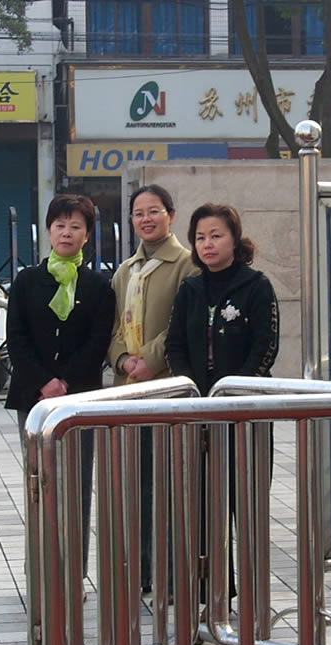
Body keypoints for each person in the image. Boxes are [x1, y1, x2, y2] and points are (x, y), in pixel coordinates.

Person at [166, 203, 279, 600]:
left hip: (245, 412)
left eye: (216, 235)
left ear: (234, 238)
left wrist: (233, 390)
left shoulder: (256, 286)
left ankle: (254, 595)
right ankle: (212, 592)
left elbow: (266, 347)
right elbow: (175, 345)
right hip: (200, 411)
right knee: (203, 504)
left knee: (245, 502)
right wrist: (192, 390)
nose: (207, 244)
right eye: (200, 238)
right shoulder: (190, 289)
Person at [6, 194, 115, 577]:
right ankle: (39, 569)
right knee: (39, 482)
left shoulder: (99, 286)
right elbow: (16, 338)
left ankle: (74, 571)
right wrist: (44, 381)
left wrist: (65, 381)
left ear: (87, 234)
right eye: (60, 225)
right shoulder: (26, 281)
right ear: (48, 231)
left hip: (79, 398)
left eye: (75, 226)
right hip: (33, 399)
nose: (66, 233)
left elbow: (98, 343)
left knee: (77, 484)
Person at [108, 184, 200, 593]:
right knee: (136, 483)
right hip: (127, 390)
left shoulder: (187, 265)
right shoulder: (125, 271)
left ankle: (171, 571)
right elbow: (113, 328)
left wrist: (148, 359)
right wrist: (123, 360)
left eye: (154, 211)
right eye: (138, 213)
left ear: (171, 215)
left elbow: (181, 324)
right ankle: (142, 569)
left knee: (169, 483)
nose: (146, 219)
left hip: (166, 389)